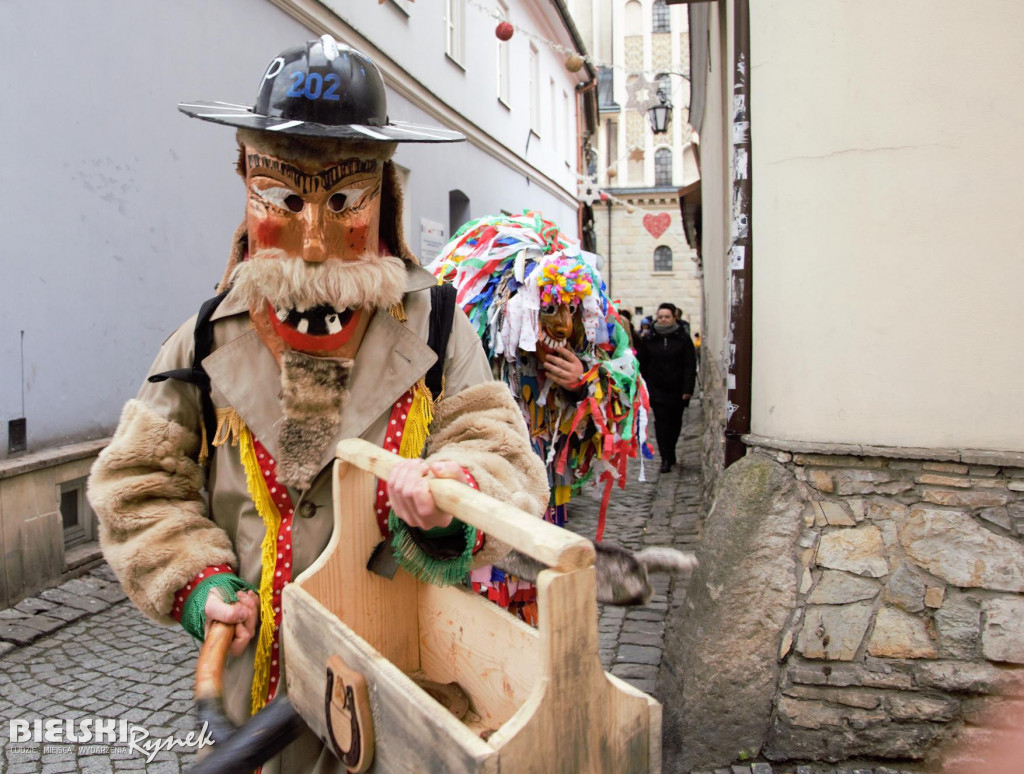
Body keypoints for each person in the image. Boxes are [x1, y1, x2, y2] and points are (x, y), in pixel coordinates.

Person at [87, 36, 548, 773]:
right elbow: (137, 486)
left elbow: (496, 449)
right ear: (247, 186)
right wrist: (197, 581)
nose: (310, 240)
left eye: (341, 200)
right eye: (281, 197)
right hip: (258, 705)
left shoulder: (434, 327)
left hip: (404, 691)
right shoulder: (204, 338)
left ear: (384, 197)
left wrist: (453, 493)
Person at [429, 213, 651, 619]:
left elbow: (610, 416)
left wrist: (582, 386)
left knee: (533, 585)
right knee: (484, 589)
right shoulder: (481, 350)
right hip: (489, 491)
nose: (563, 326)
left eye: (571, 311)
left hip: (542, 497)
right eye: (549, 310)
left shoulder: (581, 358)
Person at [636, 302, 697, 473]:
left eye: (667, 317)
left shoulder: (683, 338)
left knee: (675, 423)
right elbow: (642, 364)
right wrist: (643, 387)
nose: (663, 319)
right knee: (661, 424)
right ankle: (665, 458)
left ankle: (671, 451)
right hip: (657, 389)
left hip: (677, 390)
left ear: (673, 318)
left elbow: (689, 365)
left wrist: (687, 389)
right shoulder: (649, 338)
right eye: (660, 316)